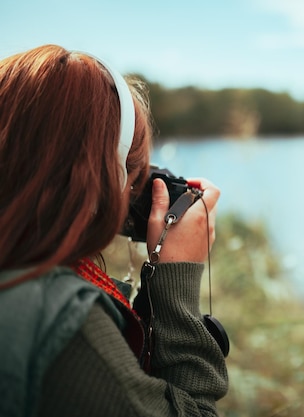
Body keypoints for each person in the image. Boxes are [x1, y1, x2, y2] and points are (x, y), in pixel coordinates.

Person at [0, 45, 228, 416]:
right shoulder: (65, 324)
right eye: (135, 179)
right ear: (105, 178)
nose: (134, 194)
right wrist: (176, 279)